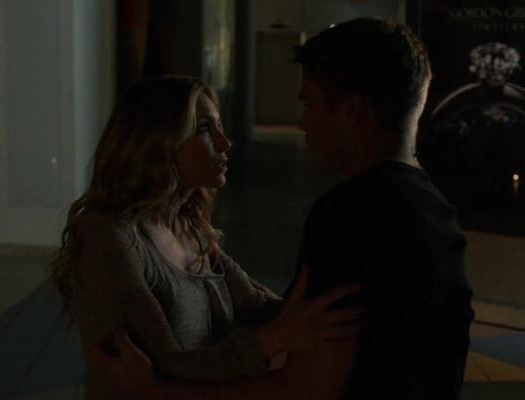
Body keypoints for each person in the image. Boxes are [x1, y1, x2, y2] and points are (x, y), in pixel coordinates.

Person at [89, 17, 475, 400]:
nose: (302, 122)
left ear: (352, 110)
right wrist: (278, 333)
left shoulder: (352, 214)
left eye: (309, 104)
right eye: (206, 129)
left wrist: (153, 389)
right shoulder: (432, 207)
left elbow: (302, 389)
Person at [49, 75, 361, 399]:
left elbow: (254, 304)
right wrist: (276, 338)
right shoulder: (109, 238)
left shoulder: (188, 225)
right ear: (157, 143)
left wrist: (327, 313)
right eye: (204, 129)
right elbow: (164, 368)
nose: (225, 143)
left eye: (219, 126)